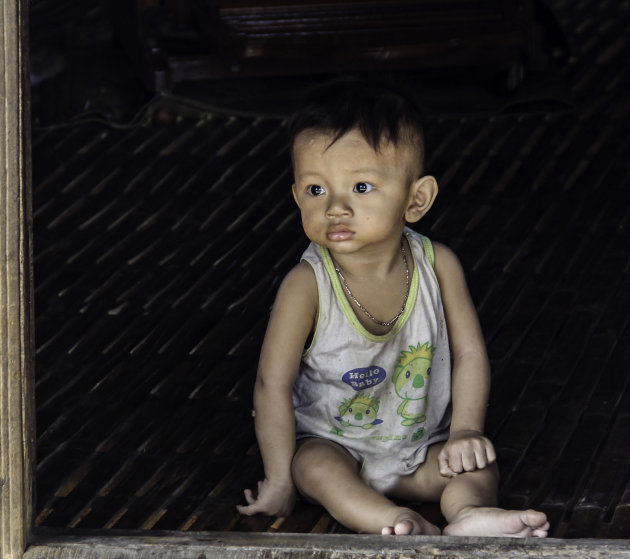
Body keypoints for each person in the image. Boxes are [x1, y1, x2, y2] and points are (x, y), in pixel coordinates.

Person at [237, 77, 549, 537]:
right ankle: (398, 523)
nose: (336, 208)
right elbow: (271, 384)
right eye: (316, 190)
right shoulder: (306, 286)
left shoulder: (438, 264)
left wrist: (464, 431)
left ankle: (467, 515)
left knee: (476, 467)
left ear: (416, 199)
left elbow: (469, 354)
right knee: (313, 468)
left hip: (420, 448)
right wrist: (280, 479)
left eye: (361, 187)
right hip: (335, 444)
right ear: (297, 195)